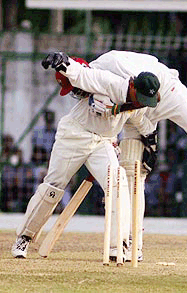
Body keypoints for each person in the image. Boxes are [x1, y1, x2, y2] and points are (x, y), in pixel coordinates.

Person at [32, 51, 187, 262]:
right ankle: (132, 243)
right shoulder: (95, 85)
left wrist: (63, 62)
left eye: (77, 90)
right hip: (136, 104)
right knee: (133, 172)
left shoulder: (101, 73)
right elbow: (124, 112)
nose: (78, 95)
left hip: (164, 91)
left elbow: (94, 80)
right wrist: (149, 143)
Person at [11, 54, 159, 259]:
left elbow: (142, 122)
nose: (140, 103)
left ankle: (118, 245)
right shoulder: (110, 82)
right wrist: (64, 63)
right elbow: (83, 75)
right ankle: (25, 237)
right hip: (74, 135)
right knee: (53, 188)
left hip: (103, 142)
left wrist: (151, 142)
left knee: (119, 184)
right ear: (132, 86)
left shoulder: (138, 102)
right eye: (140, 99)